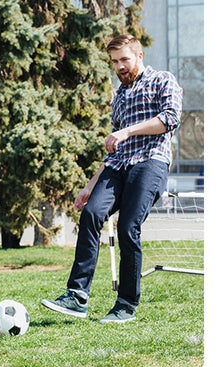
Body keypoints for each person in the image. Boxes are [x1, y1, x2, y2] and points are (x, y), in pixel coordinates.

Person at [41, 34, 183, 323]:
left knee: (128, 227)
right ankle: (77, 296)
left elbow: (170, 118)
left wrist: (128, 131)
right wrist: (89, 186)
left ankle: (126, 305)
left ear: (139, 56)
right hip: (118, 166)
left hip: (150, 162)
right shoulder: (118, 95)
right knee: (92, 213)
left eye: (124, 60)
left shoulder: (162, 80)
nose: (119, 66)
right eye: (115, 61)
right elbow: (115, 148)